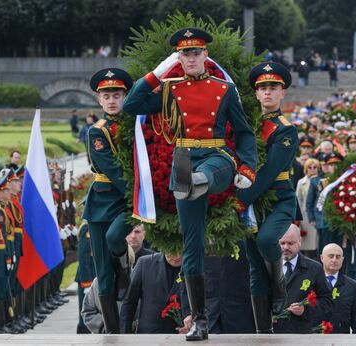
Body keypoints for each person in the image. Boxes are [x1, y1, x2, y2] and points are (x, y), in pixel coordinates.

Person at [123, 28, 257, 341]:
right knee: (191, 245)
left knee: (207, 172)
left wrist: (248, 167)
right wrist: (157, 74)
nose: (191, 58)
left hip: (217, 156)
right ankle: (200, 320)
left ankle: (199, 180)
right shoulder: (169, 89)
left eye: (196, 52)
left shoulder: (224, 89)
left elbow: (245, 132)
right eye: (185, 54)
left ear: (205, 55)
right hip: (183, 161)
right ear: (178, 58)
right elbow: (132, 105)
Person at [235, 61, 298, 334]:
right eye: (262, 88)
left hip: (279, 199)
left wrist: (240, 198)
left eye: (273, 87)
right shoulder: (247, 125)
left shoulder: (285, 129)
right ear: (256, 94)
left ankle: (280, 282)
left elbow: (270, 171)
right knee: (254, 269)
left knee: (266, 239)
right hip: (251, 202)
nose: (268, 93)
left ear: (282, 92)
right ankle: (264, 333)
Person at [82, 67, 135, 333]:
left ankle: (125, 270)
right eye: (107, 96)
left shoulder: (135, 125)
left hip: (127, 200)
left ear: (125, 96)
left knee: (116, 238)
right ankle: (113, 332)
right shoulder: (97, 132)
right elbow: (111, 168)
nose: (112, 100)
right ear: (99, 100)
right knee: (103, 273)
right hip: (104, 200)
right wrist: (136, 192)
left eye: (117, 95)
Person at [181, 242, 255, 334]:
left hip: (241, 314)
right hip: (208, 315)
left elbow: (258, 274)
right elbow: (187, 276)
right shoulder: (199, 239)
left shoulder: (243, 238)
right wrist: (188, 312)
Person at [273, 224, 332, 334]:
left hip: (301, 333)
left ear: (299, 242)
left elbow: (327, 302)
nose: (286, 247)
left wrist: (305, 310)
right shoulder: (268, 267)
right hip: (274, 333)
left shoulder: (314, 268)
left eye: (290, 243)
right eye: (282, 243)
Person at [120, 252, 182, 334]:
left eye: (181, 251)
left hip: (184, 336)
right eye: (172, 251)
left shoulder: (197, 265)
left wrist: (195, 326)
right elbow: (129, 302)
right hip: (149, 336)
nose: (177, 255)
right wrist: (124, 336)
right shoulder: (145, 263)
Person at [315, 243, 356, 334]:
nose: (334, 260)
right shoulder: (312, 282)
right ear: (322, 258)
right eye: (331, 256)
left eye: (338, 257)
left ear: (342, 259)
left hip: (341, 337)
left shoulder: (351, 285)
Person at [74, 221, 96, 334]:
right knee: (85, 310)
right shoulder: (86, 227)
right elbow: (83, 255)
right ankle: (83, 334)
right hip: (87, 275)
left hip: (93, 273)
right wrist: (86, 281)